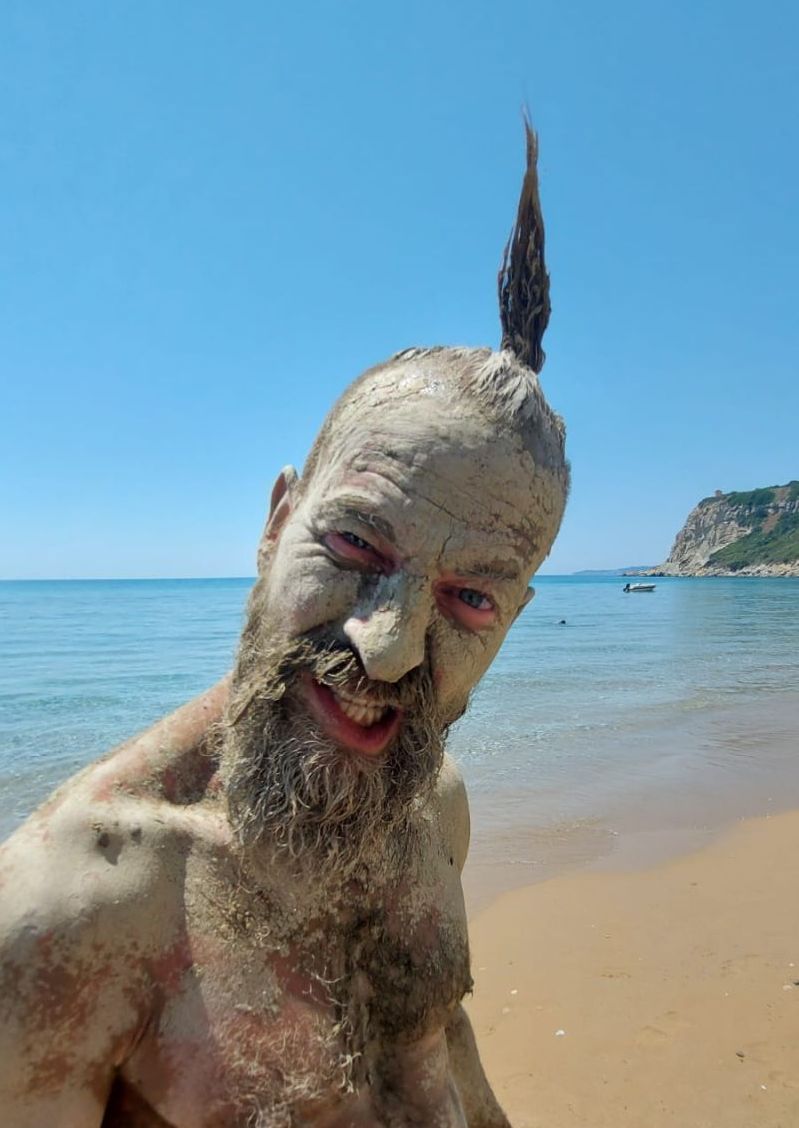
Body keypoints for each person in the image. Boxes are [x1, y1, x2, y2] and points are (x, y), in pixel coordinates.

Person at [0, 123, 569, 1127]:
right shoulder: (70, 917)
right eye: (355, 547)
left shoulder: (431, 805)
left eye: (470, 599)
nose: (387, 648)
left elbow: (446, 1069)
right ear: (276, 524)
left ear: (511, 620)